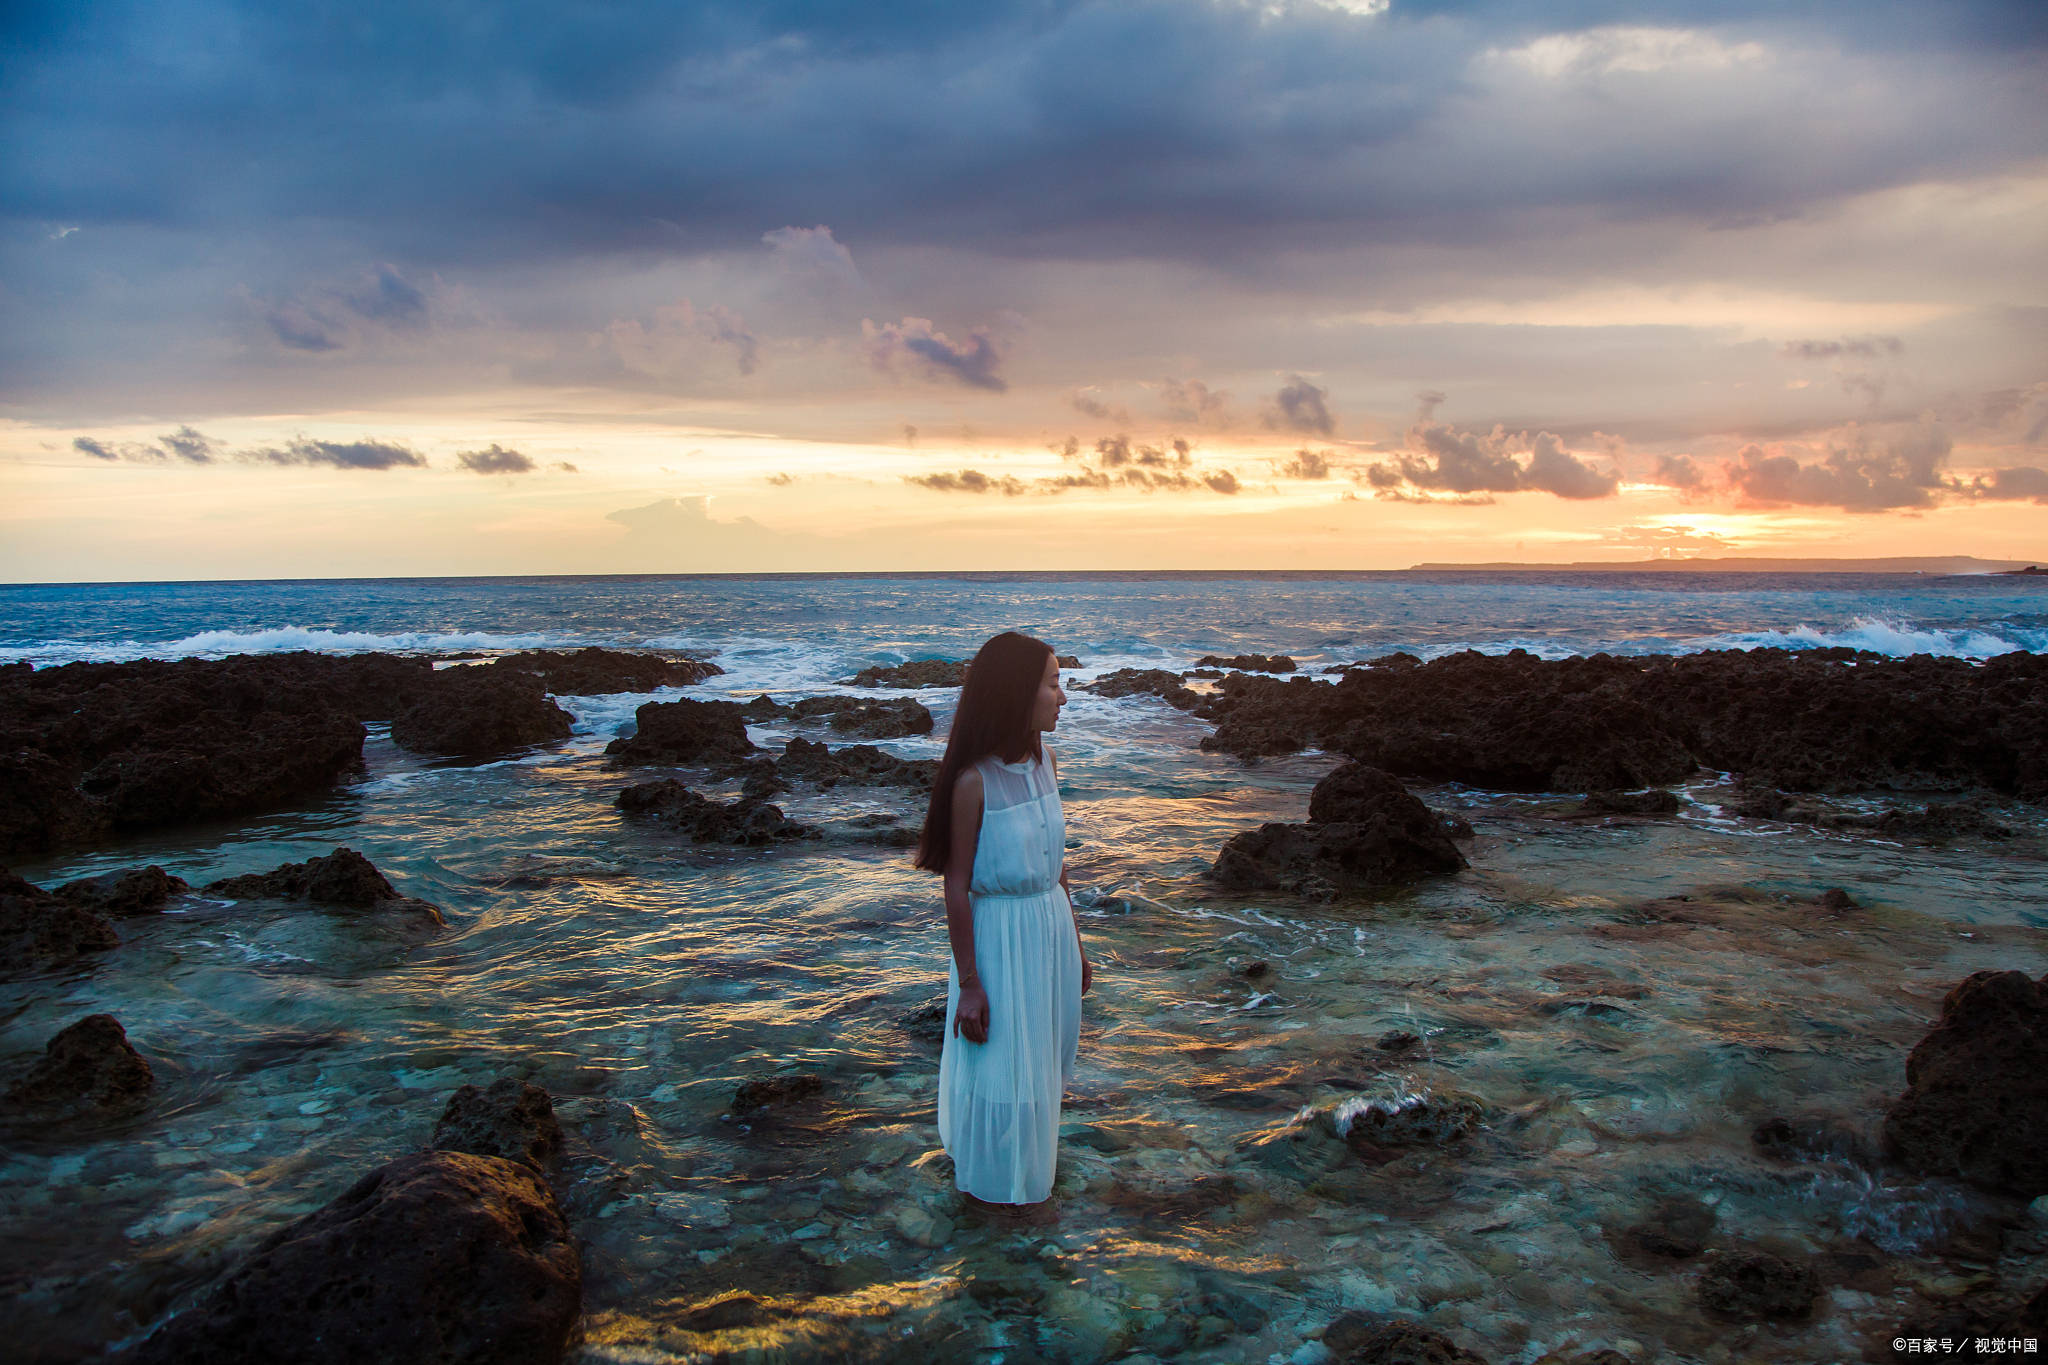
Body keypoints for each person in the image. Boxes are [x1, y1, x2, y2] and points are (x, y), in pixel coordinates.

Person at [914, 631, 1093, 1218]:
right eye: (1052, 683)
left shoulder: (1047, 762)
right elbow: (956, 885)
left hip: (1048, 933)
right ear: (1019, 695)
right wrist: (969, 983)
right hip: (999, 939)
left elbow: (1054, 864)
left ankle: (1027, 1180)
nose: (1062, 697)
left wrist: (1078, 945)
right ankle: (994, 1195)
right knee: (1002, 1068)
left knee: (1042, 1066)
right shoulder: (974, 783)